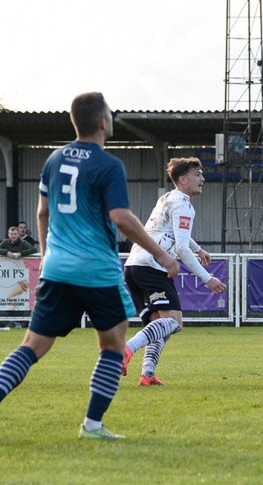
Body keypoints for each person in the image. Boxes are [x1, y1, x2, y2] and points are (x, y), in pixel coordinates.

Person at [0, 92, 179, 440]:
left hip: (56, 269)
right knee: (113, 347)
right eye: (110, 112)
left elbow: (42, 213)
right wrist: (161, 253)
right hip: (96, 270)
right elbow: (121, 217)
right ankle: (93, 425)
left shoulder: (53, 160)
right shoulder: (108, 164)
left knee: (31, 346)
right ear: (102, 122)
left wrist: (49, 256)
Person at [121, 158, 227, 386]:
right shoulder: (184, 204)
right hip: (153, 265)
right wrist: (207, 279)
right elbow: (179, 247)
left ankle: (147, 374)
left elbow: (174, 232)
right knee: (174, 321)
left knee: (160, 326)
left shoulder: (167, 198)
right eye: (197, 174)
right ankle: (126, 349)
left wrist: (198, 249)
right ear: (183, 179)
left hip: (134, 265)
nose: (203, 179)